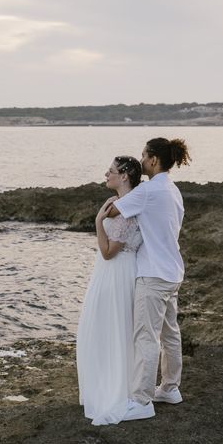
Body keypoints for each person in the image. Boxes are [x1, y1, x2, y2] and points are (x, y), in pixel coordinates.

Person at [105, 137, 192, 421]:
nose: (140, 162)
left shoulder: (150, 190)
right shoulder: (173, 189)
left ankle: (141, 401)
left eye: (143, 156)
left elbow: (113, 211)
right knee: (170, 334)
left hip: (153, 273)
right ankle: (170, 387)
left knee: (146, 336)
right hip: (173, 271)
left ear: (153, 160)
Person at [76, 156, 143, 425]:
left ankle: (117, 390)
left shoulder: (126, 209)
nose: (106, 173)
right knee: (103, 328)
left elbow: (108, 252)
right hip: (110, 273)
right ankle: (104, 385)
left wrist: (96, 223)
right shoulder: (118, 204)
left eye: (111, 171)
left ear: (124, 175)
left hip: (117, 272)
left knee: (114, 329)